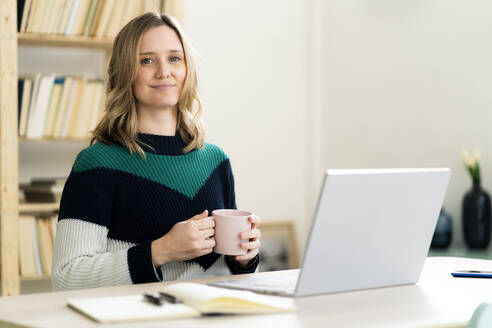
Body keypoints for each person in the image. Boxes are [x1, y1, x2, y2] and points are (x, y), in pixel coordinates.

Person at [51, 13, 261, 291]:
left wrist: (246, 257)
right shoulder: (97, 164)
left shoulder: (216, 161)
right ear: (125, 72)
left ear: (188, 69)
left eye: (175, 58)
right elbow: (66, 277)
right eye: (146, 60)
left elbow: (227, 266)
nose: (164, 71)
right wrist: (161, 251)